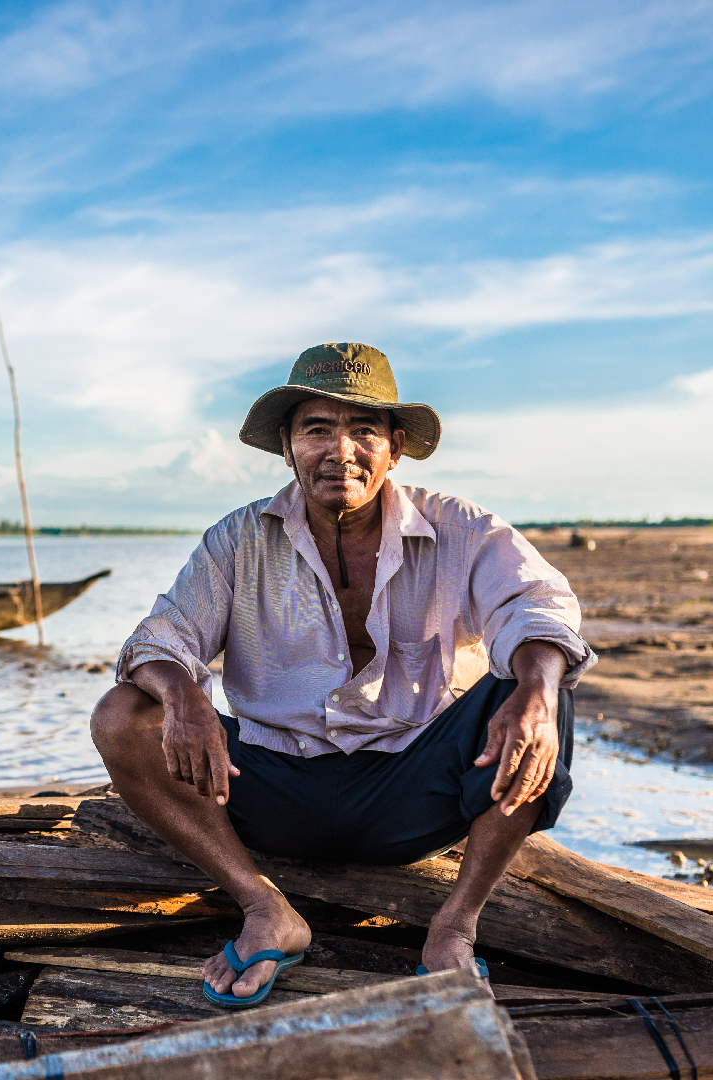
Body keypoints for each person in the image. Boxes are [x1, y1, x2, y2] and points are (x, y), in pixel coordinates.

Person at [91, 342, 594, 1006]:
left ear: (396, 447)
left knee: (543, 686)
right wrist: (184, 696)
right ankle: (264, 907)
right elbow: (162, 634)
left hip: (412, 792)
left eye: (363, 430)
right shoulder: (238, 539)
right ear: (286, 445)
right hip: (271, 788)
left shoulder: (464, 529)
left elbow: (538, 607)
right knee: (122, 715)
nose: (341, 451)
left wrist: (534, 688)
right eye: (317, 430)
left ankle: (454, 927)